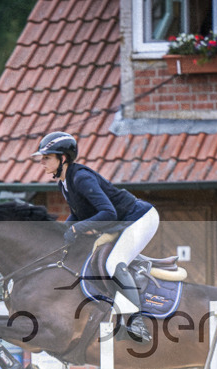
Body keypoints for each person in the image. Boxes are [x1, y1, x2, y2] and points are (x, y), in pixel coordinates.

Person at [31, 131, 159, 344]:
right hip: (123, 221)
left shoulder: (81, 178)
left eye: (47, 157)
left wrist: (77, 229)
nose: (42, 162)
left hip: (140, 218)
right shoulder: (64, 182)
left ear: (63, 159)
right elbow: (79, 214)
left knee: (113, 265)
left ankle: (137, 322)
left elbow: (108, 212)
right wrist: (64, 232)